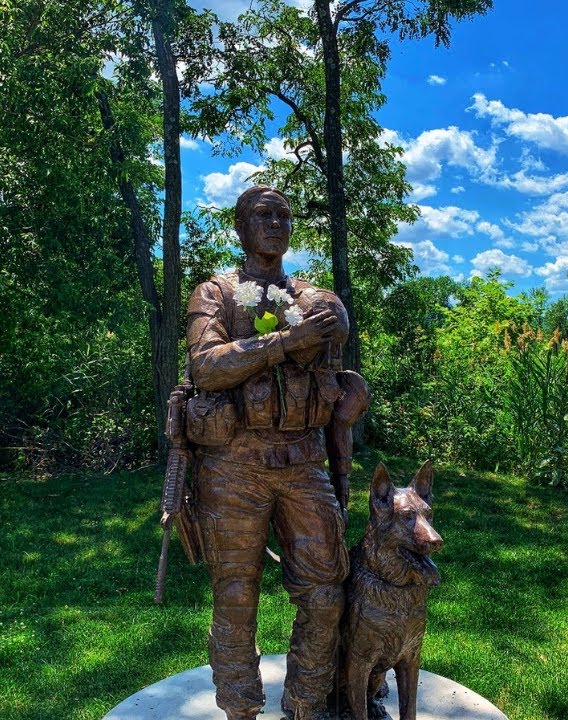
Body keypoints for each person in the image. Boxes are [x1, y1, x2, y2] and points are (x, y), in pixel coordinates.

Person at [185, 185, 367, 720]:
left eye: (284, 216)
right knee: (236, 596)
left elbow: (335, 362)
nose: (276, 223)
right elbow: (207, 366)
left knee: (325, 591)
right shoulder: (214, 294)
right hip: (233, 466)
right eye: (263, 215)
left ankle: (305, 707)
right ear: (240, 228)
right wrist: (284, 343)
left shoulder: (309, 296)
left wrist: (326, 321)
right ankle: (239, 709)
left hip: (304, 460)